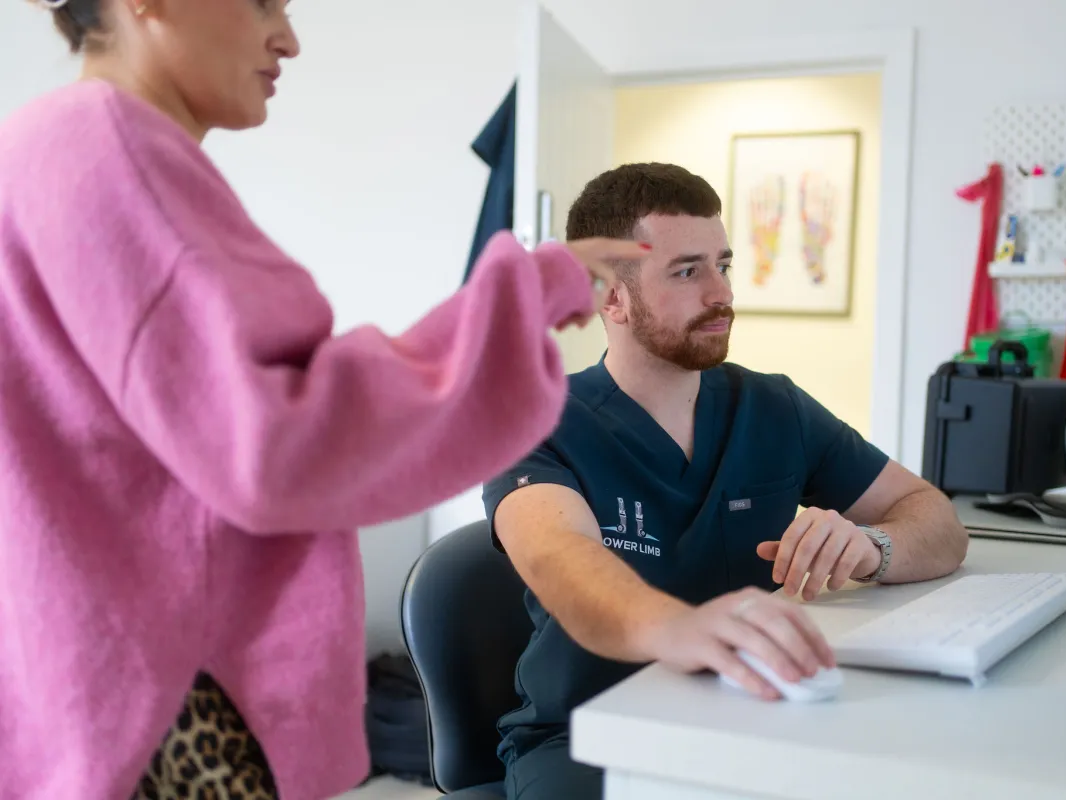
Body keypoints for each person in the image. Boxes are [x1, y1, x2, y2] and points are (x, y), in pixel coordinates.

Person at [0, 1, 649, 798]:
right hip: (167, 717)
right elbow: (275, 441)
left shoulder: (38, 148)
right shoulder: (110, 151)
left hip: (84, 686)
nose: (289, 37)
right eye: (263, 0)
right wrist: (528, 294)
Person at [484, 162, 971, 799]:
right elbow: (559, 560)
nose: (722, 293)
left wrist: (871, 547)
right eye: (688, 271)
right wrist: (679, 630)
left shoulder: (773, 408)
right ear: (610, 296)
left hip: (751, 716)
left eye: (724, 264)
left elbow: (936, 519)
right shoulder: (535, 421)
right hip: (585, 740)